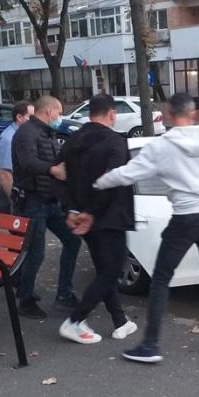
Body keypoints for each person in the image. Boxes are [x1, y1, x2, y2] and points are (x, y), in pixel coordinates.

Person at [94, 93, 199, 363]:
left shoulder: (163, 145)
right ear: (193, 113)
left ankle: (150, 345)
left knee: (161, 278)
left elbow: (129, 173)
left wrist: (97, 183)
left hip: (185, 218)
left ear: (169, 114)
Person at [56, 94, 138, 344]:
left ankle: (120, 321)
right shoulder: (115, 142)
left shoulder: (72, 141)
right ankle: (75, 320)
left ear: (89, 113)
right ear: (112, 113)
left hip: (83, 219)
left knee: (104, 270)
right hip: (109, 217)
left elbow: (59, 176)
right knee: (111, 271)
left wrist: (72, 210)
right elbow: (113, 181)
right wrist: (91, 212)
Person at [11, 95, 81, 319]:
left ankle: (64, 293)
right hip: (33, 202)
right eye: (59, 112)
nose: (59, 117)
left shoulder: (44, 132)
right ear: (49, 111)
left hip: (49, 201)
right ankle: (26, 300)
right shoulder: (26, 133)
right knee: (35, 252)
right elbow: (28, 163)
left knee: (72, 240)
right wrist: (53, 170)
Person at [0, 101, 34, 214]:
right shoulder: (9, 139)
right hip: (13, 195)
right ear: (19, 117)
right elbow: (5, 175)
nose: (34, 120)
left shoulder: (20, 135)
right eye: (31, 117)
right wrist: (15, 202)